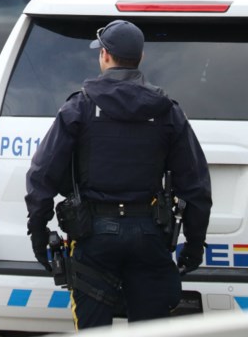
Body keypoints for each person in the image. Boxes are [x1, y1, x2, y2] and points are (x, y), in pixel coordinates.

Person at [25, 19, 211, 329]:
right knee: (151, 331)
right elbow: (195, 183)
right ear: (141, 58)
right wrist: (194, 243)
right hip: (149, 235)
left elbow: (42, 174)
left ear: (105, 56)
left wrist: (38, 231)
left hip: (93, 236)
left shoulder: (79, 108)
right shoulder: (167, 111)